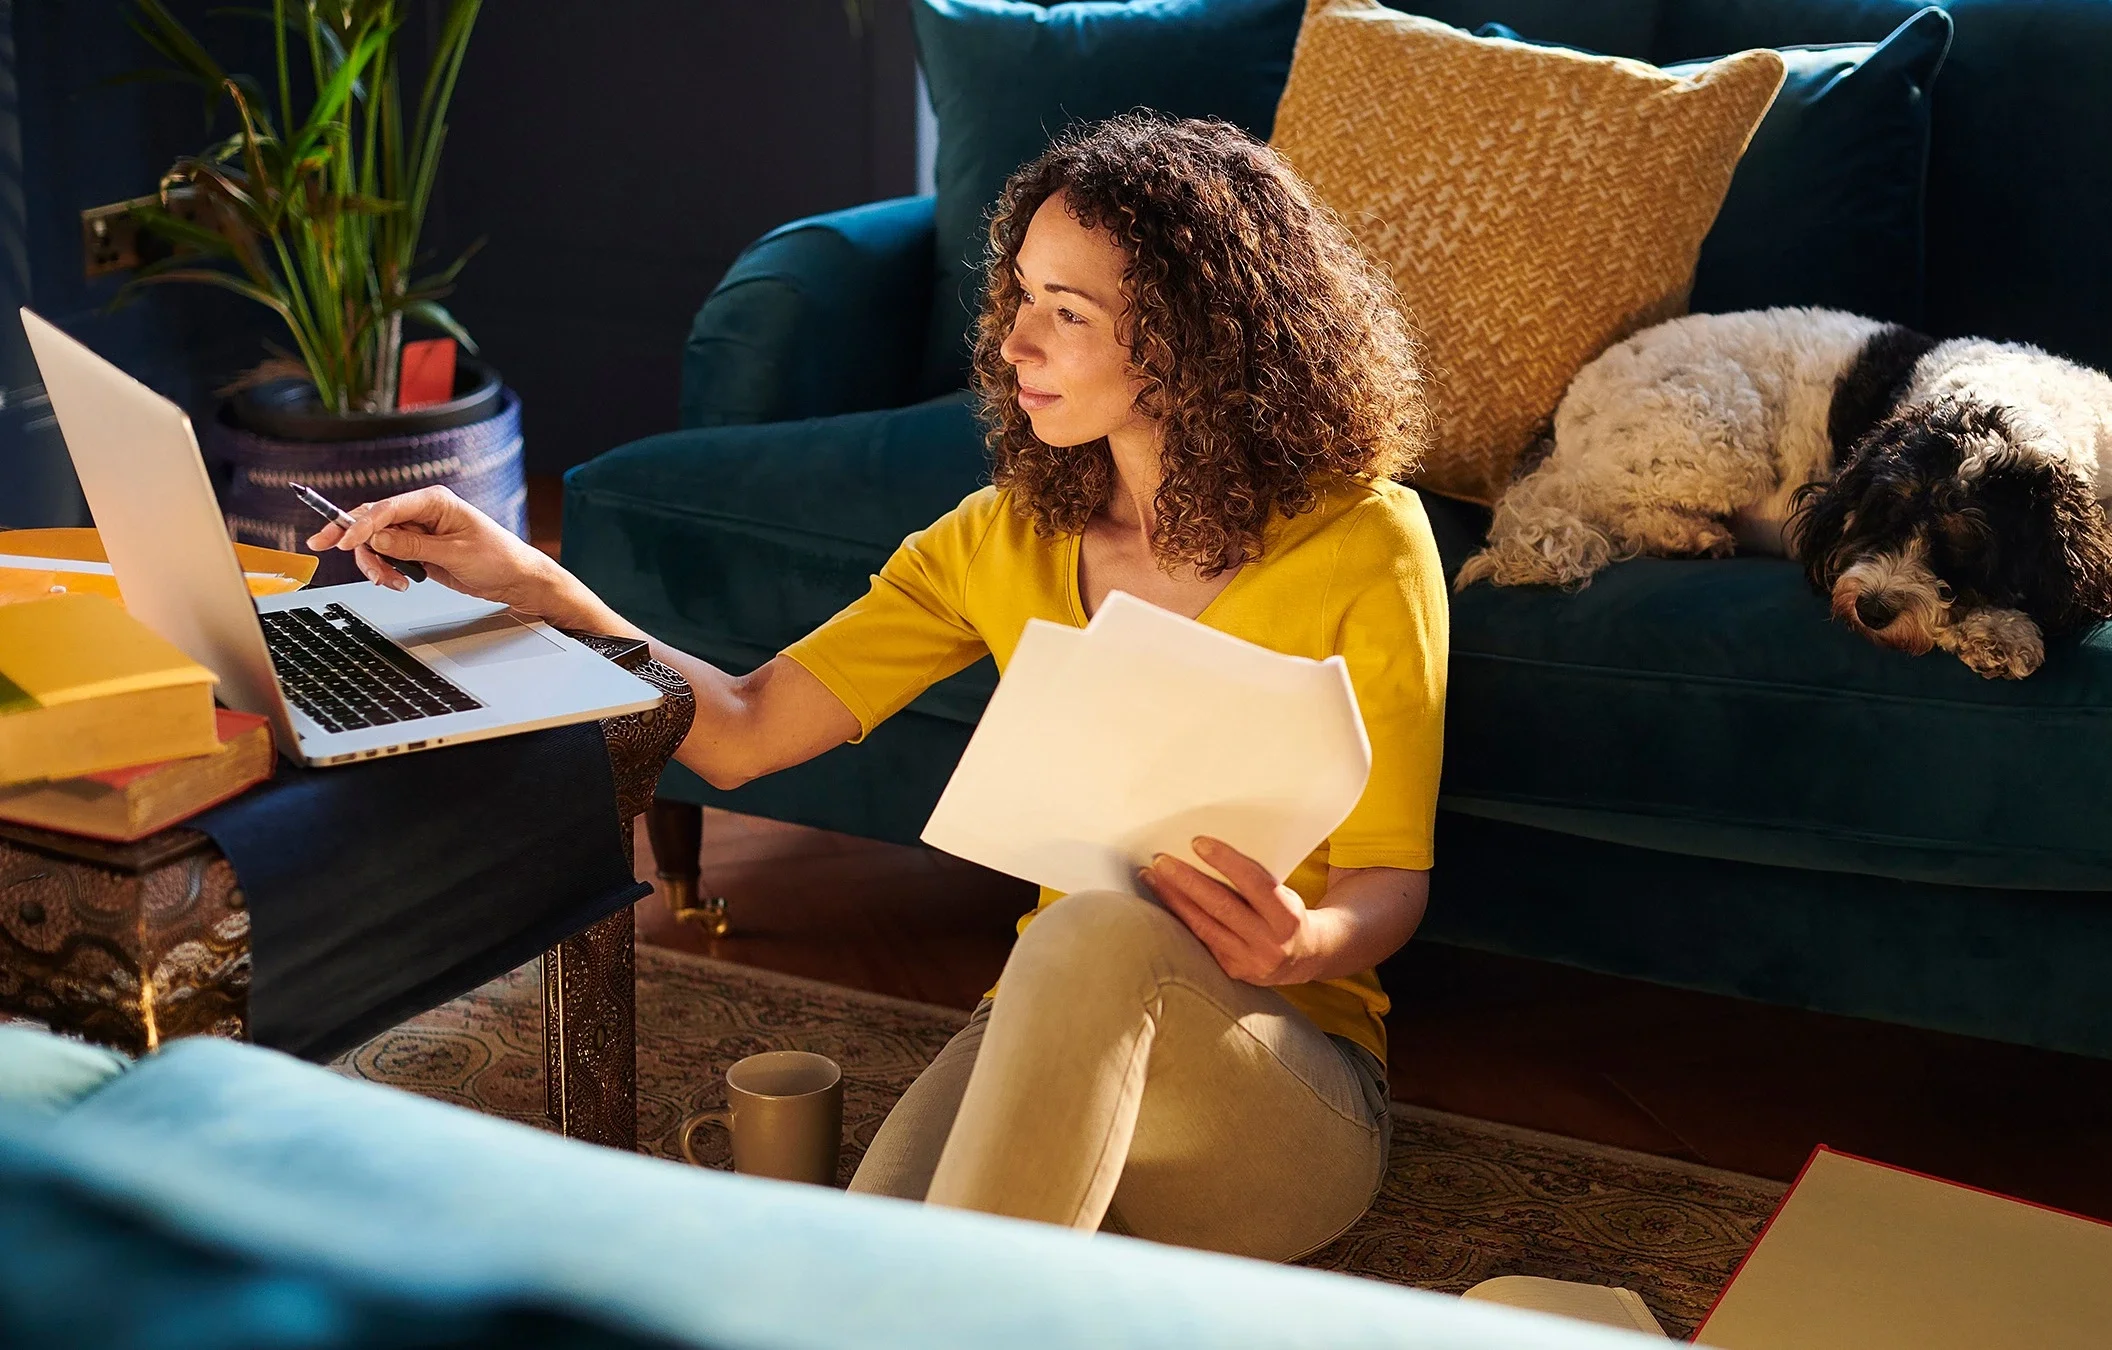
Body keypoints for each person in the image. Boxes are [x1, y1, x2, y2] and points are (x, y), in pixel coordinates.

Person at [308, 112, 1447, 1261]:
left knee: (1100, 933)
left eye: (1068, 312)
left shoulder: (1365, 543)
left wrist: (1302, 944)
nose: (1015, 343)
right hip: (1048, 1033)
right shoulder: (1002, 538)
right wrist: (537, 585)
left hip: (1281, 1091)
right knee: (856, 1272)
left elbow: (1391, 878)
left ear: (1191, 340)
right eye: (1019, 297)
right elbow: (745, 733)